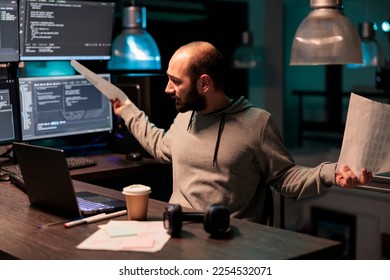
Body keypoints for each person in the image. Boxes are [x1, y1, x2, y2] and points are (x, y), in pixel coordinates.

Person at [110, 41, 372, 224]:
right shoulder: (185, 117)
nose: (167, 89)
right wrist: (127, 109)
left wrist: (330, 172)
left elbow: (285, 178)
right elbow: (160, 144)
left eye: (176, 81)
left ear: (204, 83)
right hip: (177, 231)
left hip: (231, 241)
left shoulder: (257, 123)